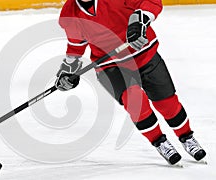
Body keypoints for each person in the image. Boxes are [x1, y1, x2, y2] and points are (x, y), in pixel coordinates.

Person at [55, 0, 206, 165]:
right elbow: (76, 45)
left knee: (167, 103)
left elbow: (152, 2)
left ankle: (186, 137)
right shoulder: (69, 13)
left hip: (144, 54)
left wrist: (140, 18)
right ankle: (159, 141)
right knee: (135, 101)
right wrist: (68, 70)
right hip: (110, 66)